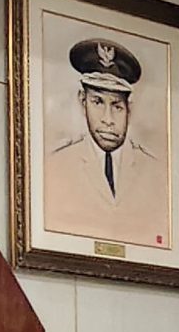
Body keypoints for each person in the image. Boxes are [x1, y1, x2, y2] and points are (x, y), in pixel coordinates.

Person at [45, 38, 170, 249]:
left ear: (129, 108)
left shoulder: (156, 171)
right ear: (82, 101)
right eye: (97, 102)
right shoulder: (57, 165)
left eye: (117, 106)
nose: (108, 119)